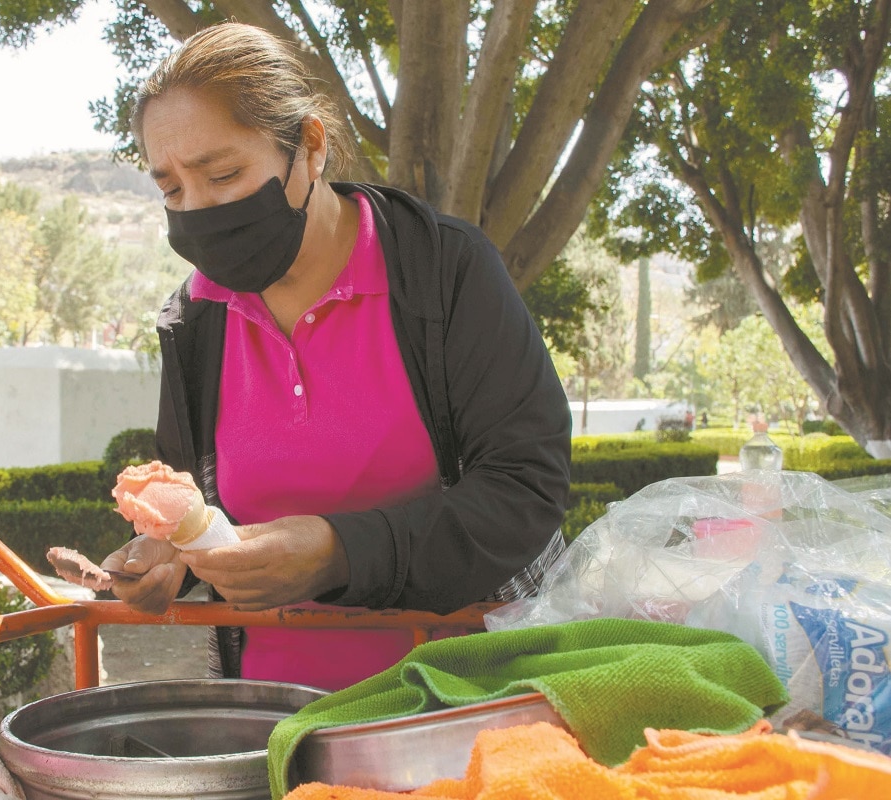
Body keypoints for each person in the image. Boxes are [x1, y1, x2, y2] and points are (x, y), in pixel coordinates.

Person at [100, 22, 572, 691]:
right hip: (274, 720)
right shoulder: (195, 319)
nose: (198, 209)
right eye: (172, 189)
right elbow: (200, 507)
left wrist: (337, 552)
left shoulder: (443, 272)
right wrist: (170, 556)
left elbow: (526, 489)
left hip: (458, 702)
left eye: (224, 173)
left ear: (310, 147)